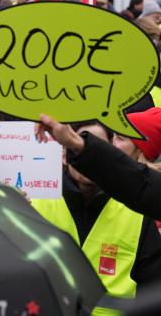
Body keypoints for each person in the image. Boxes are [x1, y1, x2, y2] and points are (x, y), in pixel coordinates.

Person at [32, 121, 161, 315]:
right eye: (75, 145)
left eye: (99, 150)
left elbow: (152, 290)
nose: (90, 162)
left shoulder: (138, 214)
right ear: (64, 155)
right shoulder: (33, 204)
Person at [35, 114, 161, 219]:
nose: (115, 146)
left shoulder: (138, 215)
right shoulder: (35, 201)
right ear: (63, 155)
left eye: (120, 138)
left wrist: (77, 143)